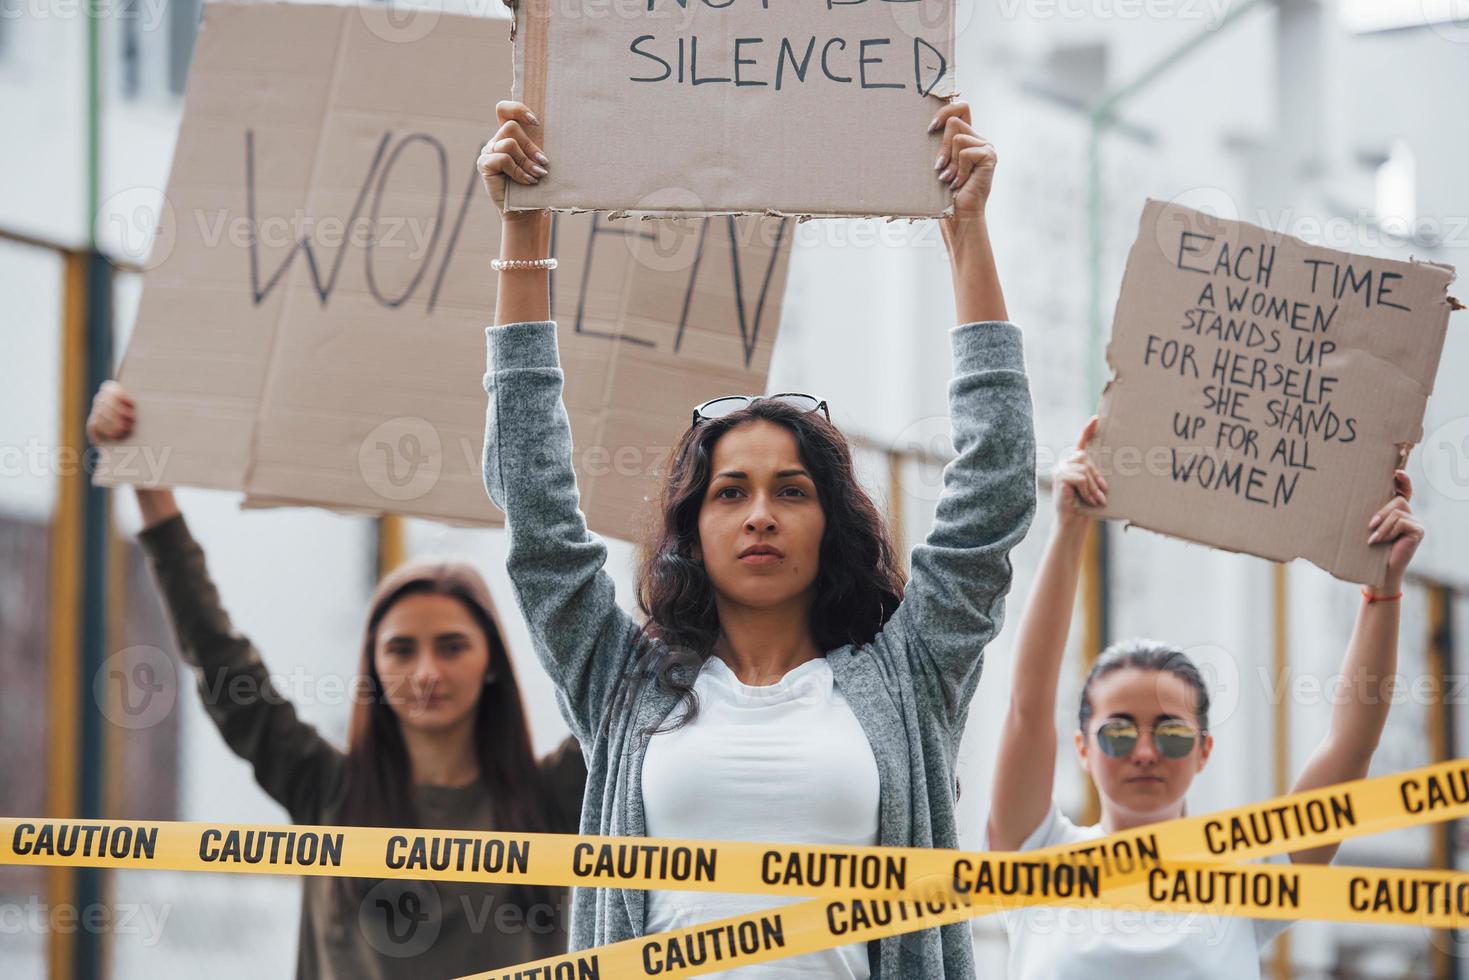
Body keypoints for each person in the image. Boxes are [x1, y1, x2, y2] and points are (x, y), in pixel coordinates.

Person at [475, 98, 1035, 978]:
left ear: (833, 523)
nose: (760, 514)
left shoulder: (909, 677)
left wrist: (964, 232)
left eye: (792, 490)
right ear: (692, 531)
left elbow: (993, 489)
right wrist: (523, 234)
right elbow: (539, 517)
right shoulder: (624, 685)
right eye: (729, 492)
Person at [86, 384, 588, 980]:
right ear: (372, 667)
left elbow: (635, 685)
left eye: (452, 646)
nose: (427, 672)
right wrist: (147, 478)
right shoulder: (326, 790)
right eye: (401, 649)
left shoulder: (558, 794)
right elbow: (220, 660)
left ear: (494, 665)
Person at [986, 416, 1426, 978]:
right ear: (1082, 747)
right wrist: (1068, 528)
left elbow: (1349, 748)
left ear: (1203, 750)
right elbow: (1028, 704)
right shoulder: (1034, 859)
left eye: (1170, 733)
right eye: (1118, 731)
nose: (1144, 751)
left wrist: (1381, 590)